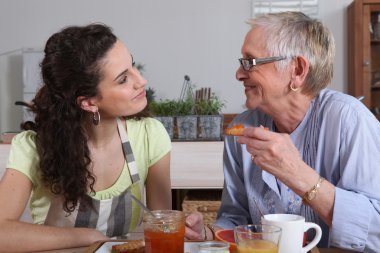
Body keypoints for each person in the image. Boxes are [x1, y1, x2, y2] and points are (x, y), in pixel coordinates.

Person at [185, 12, 380, 252]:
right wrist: (208, 233)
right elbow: (237, 220)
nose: (238, 74)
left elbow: (376, 233)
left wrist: (298, 174)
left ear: (297, 70)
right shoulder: (242, 129)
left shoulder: (350, 121)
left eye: (250, 62)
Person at [0, 24, 172, 252]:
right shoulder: (33, 146)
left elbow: (161, 226)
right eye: (123, 79)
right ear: (88, 102)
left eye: (132, 66)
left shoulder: (151, 135)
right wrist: (87, 236)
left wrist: (190, 230)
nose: (141, 81)